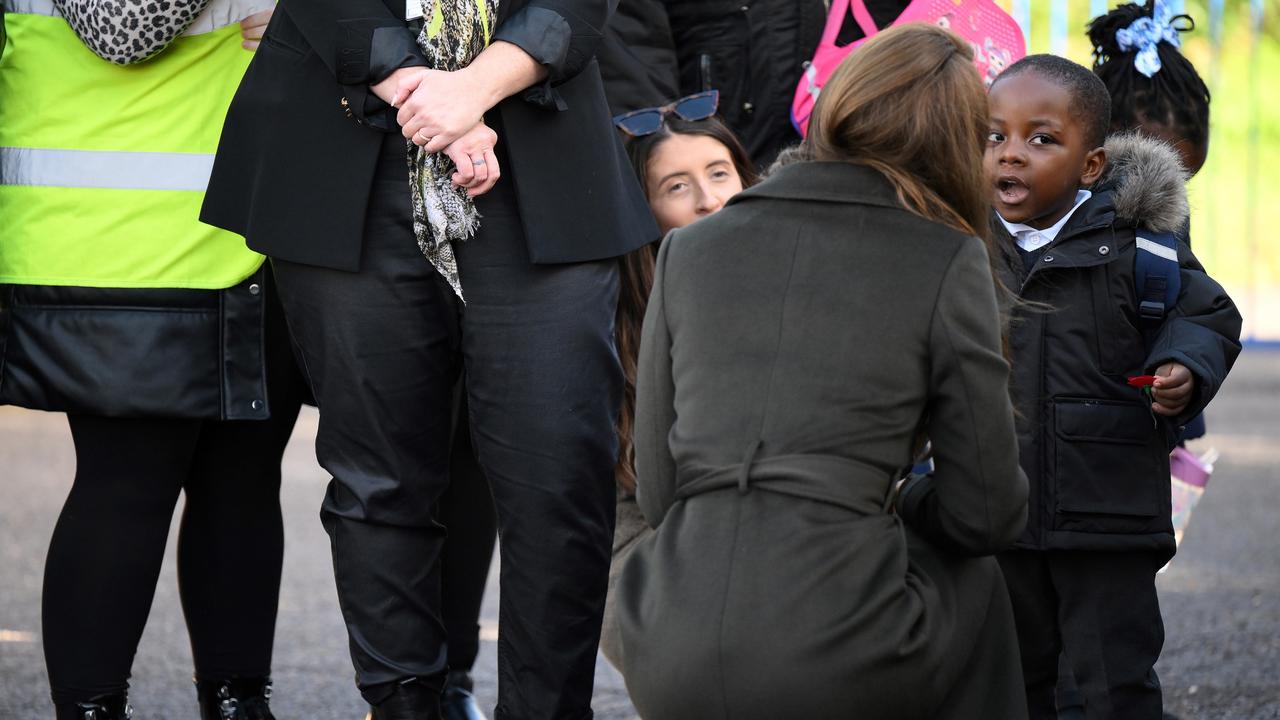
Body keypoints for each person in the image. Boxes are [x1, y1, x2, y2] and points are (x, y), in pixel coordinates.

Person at [199, 0, 657, 717]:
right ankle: (404, 706)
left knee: (559, 473)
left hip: (543, 146)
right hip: (344, 141)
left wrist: (469, 92)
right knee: (380, 479)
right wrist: (421, 89)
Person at [612, 24, 1030, 719]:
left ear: (839, 105)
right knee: (977, 581)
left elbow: (658, 491)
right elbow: (986, 512)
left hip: (667, 641)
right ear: (958, 141)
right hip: (837, 647)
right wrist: (902, 502)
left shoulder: (691, 251)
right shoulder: (945, 258)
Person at [0, 1, 305, 718]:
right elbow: (125, 23)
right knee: (128, 482)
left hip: (251, 219)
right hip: (125, 232)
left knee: (244, 479)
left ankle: (239, 702)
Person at [984, 54, 1241, 720]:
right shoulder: (962, 249)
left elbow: (1206, 315)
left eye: (1041, 139)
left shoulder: (1138, 250)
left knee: (1112, 685)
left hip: (1107, 518)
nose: (1012, 155)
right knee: (1010, 682)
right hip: (997, 519)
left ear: (1090, 166)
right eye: (994, 136)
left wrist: (1185, 367)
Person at [594, 106, 758, 667]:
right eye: (676, 186)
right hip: (651, 537)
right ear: (643, 212)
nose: (710, 201)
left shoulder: (787, 283)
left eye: (719, 173)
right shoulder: (616, 320)